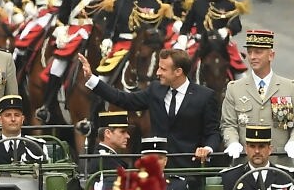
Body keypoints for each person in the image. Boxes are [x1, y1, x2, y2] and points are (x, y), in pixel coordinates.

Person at [78, 49, 221, 167]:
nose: (157, 72)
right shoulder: (155, 90)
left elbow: (213, 132)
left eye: (163, 69)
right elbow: (124, 99)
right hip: (157, 169)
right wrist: (91, 79)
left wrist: (207, 149)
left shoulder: (205, 96)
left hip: (191, 168)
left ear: (178, 72)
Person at [221, 30, 294, 164]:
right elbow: (228, 124)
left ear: (271, 56)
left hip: (279, 164)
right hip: (245, 166)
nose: (252, 57)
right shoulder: (235, 88)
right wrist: (232, 142)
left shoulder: (289, 88)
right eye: (249, 52)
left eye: (258, 52)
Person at [220, 125, 294, 190]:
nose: (257, 151)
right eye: (252, 146)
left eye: (261, 146)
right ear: (246, 149)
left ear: (270, 149)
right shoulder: (230, 178)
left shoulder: (287, 177)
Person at [0, 95, 48, 165]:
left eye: (17, 115)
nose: (13, 119)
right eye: (8, 115)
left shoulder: (37, 147)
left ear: (22, 119)